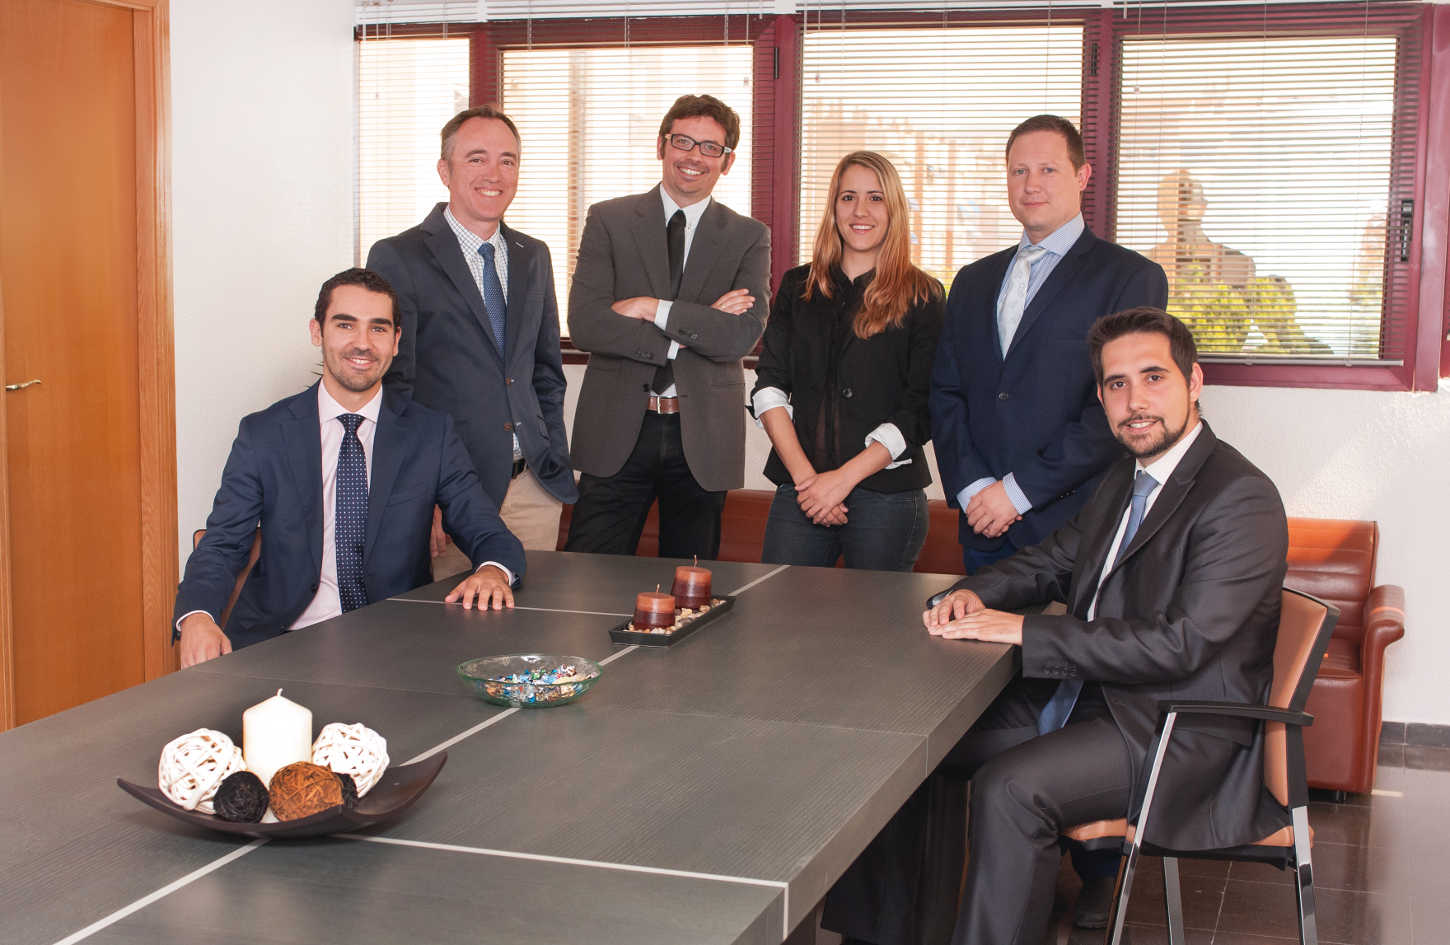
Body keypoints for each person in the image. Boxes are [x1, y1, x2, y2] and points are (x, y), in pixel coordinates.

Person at [829, 308, 1288, 945]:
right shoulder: (1124, 479)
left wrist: (1022, 632)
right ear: (1100, 397)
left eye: (1153, 377)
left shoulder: (1239, 496)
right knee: (907, 747)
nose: (1135, 401)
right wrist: (968, 594)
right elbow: (1050, 562)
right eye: (1117, 384)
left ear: (1194, 381)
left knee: (1011, 789)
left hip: (1179, 729)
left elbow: (1182, 645)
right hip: (1097, 700)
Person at [173, 268, 526, 668]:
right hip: (280, 646)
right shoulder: (264, 434)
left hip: (395, 647)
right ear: (317, 332)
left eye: (378, 329)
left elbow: (486, 530)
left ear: (396, 341)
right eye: (345, 325)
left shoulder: (431, 434)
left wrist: (493, 570)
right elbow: (222, 544)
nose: (362, 343)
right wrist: (197, 616)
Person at [931, 115, 1168, 576]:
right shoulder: (973, 281)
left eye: (1048, 169)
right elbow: (946, 394)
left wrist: (1016, 493)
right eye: (1019, 171)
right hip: (983, 525)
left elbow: (1120, 406)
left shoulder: (1130, 277)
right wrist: (975, 489)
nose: (1031, 184)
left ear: (1082, 176)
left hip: (1076, 530)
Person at [367, 105, 575, 567]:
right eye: (476, 158)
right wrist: (419, 490)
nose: (494, 174)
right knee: (450, 616)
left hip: (533, 490)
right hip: (449, 496)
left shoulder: (533, 256)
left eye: (507, 160)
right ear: (445, 170)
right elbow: (393, 387)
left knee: (532, 614)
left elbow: (545, 372)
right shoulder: (399, 256)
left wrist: (553, 457)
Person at [565, 93, 770, 560]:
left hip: (703, 436)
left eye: (710, 147)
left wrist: (649, 307)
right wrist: (697, 327)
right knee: (586, 577)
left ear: (727, 161)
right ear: (661, 145)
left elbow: (739, 337)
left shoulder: (748, 236)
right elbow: (587, 325)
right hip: (617, 428)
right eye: (683, 141)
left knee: (690, 585)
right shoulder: (609, 220)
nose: (694, 156)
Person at [751, 151, 943, 571]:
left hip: (887, 499)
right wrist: (810, 483)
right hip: (800, 490)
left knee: (872, 616)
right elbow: (769, 388)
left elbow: (920, 409)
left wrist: (841, 481)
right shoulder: (797, 286)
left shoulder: (924, 294)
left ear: (893, 209)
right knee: (777, 609)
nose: (860, 211)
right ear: (833, 207)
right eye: (848, 197)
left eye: (875, 198)